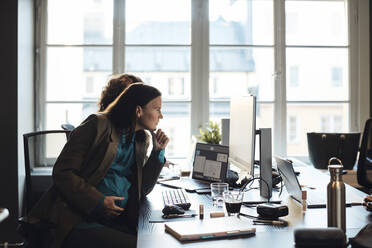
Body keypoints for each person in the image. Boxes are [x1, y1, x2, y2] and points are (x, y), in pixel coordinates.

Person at [28, 83, 169, 248]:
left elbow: (143, 189)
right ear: (138, 111)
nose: (161, 116)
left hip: (116, 221)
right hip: (79, 221)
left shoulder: (141, 139)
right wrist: (98, 202)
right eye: (157, 109)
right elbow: (63, 172)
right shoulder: (98, 124)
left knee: (159, 241)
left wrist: (157, 152)